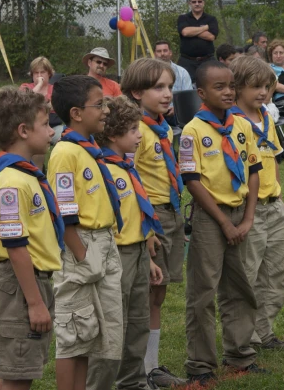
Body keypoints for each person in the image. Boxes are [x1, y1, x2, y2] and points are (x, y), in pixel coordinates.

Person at [178, 61, 266, 386]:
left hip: (239, 213)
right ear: (201, 93)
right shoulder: (193, 131)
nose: (228, 91)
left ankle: (240, 356)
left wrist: (248, 217)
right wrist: (223, 223)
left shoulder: (241, 126)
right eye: (219, 87)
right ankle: (200, 365)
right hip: (209, 217)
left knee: (239, 286)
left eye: (231, 85)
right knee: (203, 291)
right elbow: (192, 180)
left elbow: (254, 171)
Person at [48, 75, 124, 390]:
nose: (106, 109)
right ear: (77, 113)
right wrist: (82, 254)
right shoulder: (66, 152)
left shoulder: (88, 148)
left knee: (96, 337)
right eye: (99, 104)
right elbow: (64, 210)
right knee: (74, 334)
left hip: (103, 242)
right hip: (82, 245)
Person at [0, 87, 62, 389]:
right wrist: (35, 302)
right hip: (20, 286)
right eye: (45, 124)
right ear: (23, 130)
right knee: (17, 377)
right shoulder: (12, 183)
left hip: (33, 281)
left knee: (24, 370)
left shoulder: (25, 174)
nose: (51, 131)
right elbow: (15, 246)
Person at [121, 58, 188, 388]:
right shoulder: (136, 132)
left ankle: (152, 366)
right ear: (136, 92)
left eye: (170, 87)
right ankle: (138, 372)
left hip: (172, 214)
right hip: (152, 217)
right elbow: (130, 183)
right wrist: (147, 227)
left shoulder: (161, 127)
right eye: (158, 87)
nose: (167, 94)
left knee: (158, 293)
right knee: (147, 293)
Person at [229, 56, 284, 351]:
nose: (262, 92)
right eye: (255, 86)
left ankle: (263, 330)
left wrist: (279, 197)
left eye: (267, 87)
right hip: (249, 208)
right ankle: (242, 338)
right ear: (238, 87)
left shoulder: (267, 118)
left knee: (279, 272)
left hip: (273, 205)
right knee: (249, 273)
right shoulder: (232, 123)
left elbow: (272, 161)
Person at [96, 95, 164, 390]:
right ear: (112, 135)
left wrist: (147, 256)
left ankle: (133, 381)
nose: (139, 135)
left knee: (137, 321)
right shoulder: (104, 171)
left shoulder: (127, 166)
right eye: (133, 129)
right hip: (116, 254)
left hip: (137, 252)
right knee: (114, 324)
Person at [177, 0, 219, 82]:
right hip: (187, 61)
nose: (197, 4)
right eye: (194, 2)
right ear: (189, 3)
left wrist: (192, 30)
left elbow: (211, 37)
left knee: (210, 85)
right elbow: (185, 32)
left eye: (199, 1)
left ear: (204, 3)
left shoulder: (211, 19)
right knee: (185, 88)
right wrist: (205, 27)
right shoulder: (183, 18)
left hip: (207, 60)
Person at [153, 40, 192, 125]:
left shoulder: (182, 73)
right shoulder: (149, 73)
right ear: (155, 54)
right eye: (159, 51)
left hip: (176, 114)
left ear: (170, 53)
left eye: (165, 50)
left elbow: (188, 98)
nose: (162, 54)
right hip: (155, 112)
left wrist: (177, 109)